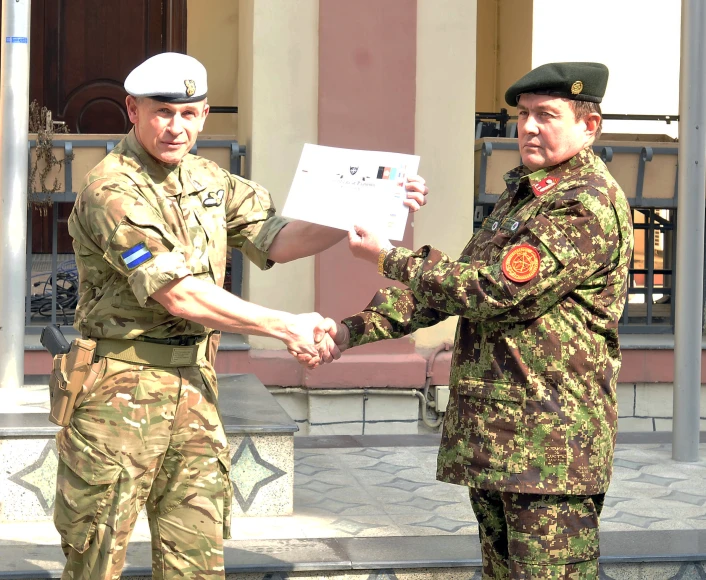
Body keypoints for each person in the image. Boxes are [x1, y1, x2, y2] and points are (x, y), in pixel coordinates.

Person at [56, 52, 428, 579]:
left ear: (205, 114)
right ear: (132, 111)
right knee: (96, 558)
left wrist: (369, 206)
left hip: (195, 388)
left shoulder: (211, 180)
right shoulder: (111, 189)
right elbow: (179, 295)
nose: (175, 127)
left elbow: (278, 239)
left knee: (196, 561)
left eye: (189, 114)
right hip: (120, 391)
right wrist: (286, 326)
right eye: (162, 112)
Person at [313, 62, 633, 578]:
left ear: (588, 125)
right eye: (523, 114)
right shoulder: (525, 194)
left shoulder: (584, 202)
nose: (528, 127)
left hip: (551, 448)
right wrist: (349, 330)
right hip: (500, 438)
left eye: (545, 115)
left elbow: (493, 290)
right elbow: (451, 287)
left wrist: (389, 257)